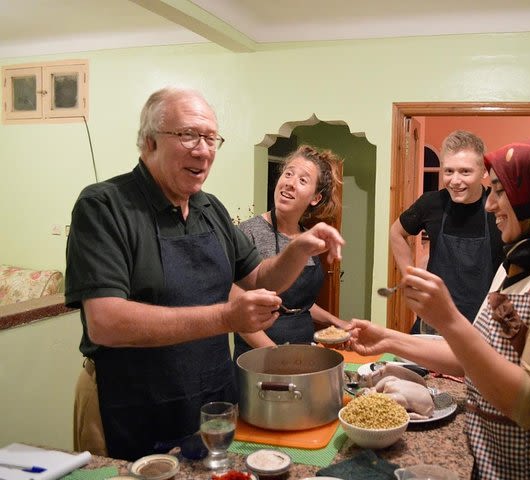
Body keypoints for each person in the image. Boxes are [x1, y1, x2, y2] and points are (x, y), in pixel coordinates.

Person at [65, 87, 344, 461]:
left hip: (209, 402)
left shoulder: (208, 208)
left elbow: (261, 279)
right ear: (149, 142)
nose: (204, 150)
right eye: (188, 135)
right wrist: (226, 317)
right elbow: (106, 322)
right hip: (130, 404)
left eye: (211, 138)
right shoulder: (104, 206)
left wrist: (299, 248)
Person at [347, 139, 530, 479]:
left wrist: (448, 318)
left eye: (500, 192)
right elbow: (472, 357)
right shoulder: (519, 261)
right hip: (498, 460)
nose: (489, 204)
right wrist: (388, 339)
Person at [233, 145, 346, 358]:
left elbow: (297, 303)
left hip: (302, 351)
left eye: (303, 180)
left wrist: (336, 322)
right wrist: (278, 356)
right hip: (258, 358)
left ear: (315, 198)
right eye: (288, 174)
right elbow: (238, 310)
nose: (290, 183)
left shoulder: (308, 240)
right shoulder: (248, 233)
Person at [389, 130, 503, 333]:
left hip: (483, 325)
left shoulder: (500, 209)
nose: (455, 180)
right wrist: (410, 275)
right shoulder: (431, 204)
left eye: (465, 172)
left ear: (484, 171)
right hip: (434, 321)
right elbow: (396, 232)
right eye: (449, 171)